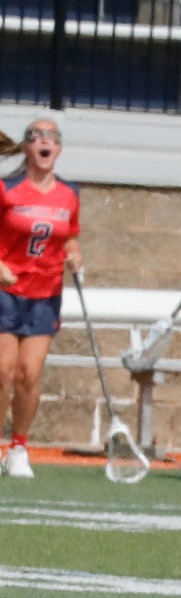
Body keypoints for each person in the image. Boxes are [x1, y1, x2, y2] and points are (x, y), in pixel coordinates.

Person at [0, 117, 82, 479]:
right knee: (2, 372)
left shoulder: (70, 193)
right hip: (7, 291)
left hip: (45, 293)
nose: (45, 142)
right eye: (37, 137)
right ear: (28, 147)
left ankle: (19, 447)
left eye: (52, 137)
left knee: (29, 375)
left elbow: (70, 235)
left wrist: (75, 255)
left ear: (59, 148)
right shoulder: (7, 189)